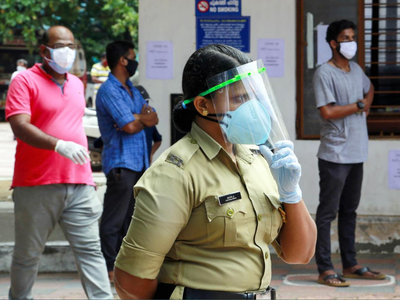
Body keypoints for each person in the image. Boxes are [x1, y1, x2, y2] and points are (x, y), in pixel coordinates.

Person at [113, 44, 317, 299]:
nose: (252, 107)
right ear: (202, 105)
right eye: (240, 98)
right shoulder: (175, 172)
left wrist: (292, 194)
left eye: (253, 95)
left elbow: (300, 254)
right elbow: (131, 281)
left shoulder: (258, 161)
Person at [5, 26, 112, 299]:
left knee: (91, 251)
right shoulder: (25, 81)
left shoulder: (76, 83)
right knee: (28, 255)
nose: (67, 52)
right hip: (36, 183)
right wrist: (57, 144)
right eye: (60, 46)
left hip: (79, 183)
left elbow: (71, 121)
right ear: (44, 50)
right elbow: (19, 125)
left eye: (71, 46)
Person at [313, 20, 384, 287]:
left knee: (350, 211)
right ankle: (325, 268)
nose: (351, 41)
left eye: (353, 36)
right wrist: (357, 106)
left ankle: (351, 264)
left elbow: (369, 89)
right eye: (346, 37)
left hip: (357, 151)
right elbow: (327, 112)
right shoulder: (324, 73)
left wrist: (365, 104)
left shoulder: (356, 69)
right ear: (333, 43)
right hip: (334, 154)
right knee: (327, 212)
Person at [96, 40, 159, 284]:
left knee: (131, 220)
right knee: (114, 219)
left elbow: (152, 117)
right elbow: (130, 126)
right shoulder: (109, 90)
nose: (135, 60)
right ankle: (109, 268)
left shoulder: (132, 89)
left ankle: (123, 266)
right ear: (123, 60)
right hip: (121, 164)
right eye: (132, 56)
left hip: (139, 163)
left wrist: (136, 117)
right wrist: (136, 118)